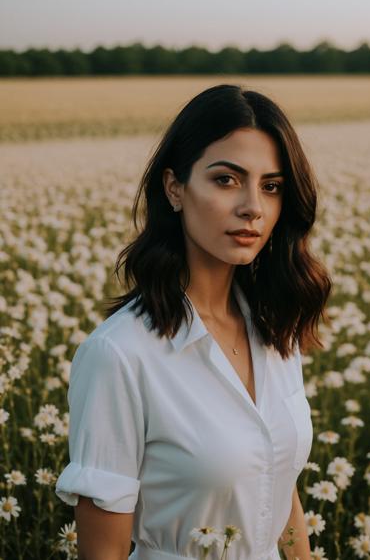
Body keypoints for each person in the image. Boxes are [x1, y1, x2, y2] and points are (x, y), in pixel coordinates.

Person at [55, 83, 332, 560]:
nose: (253, 207)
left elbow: (276, 485)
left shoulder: (274, 331)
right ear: (174, 188)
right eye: (226, 179)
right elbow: (103, 552)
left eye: (271, 186)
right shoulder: (119, 355)